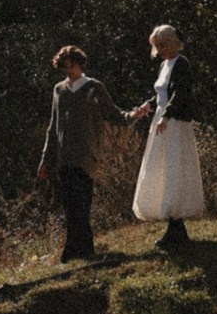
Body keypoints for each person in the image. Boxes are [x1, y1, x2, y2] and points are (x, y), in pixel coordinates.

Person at [36, 45, 145, 262]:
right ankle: (78, 250)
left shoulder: (94, 87)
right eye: (65, 67)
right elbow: (53, 127)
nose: (69, 71)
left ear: (80, 64)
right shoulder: (59, 90)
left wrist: (135, 114)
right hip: (64, 156)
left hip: (87, 155)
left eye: (72, 66)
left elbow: (115, 115)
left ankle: (80, 250)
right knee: (70, 205)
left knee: (82, 204)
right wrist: (45, 160)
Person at [131, 24, 205, 249]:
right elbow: (161, 94)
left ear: (172, 42)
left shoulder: (182, 64)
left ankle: (176, 227)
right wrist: (149, 105)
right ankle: (174, 227)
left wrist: (167, 115)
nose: (160, 50)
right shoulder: (165, 65)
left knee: (174, 168)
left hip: (174, 122)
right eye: (157, 46)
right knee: (162, 168)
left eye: (162, 44)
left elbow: (180, 93)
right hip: (162, 120)